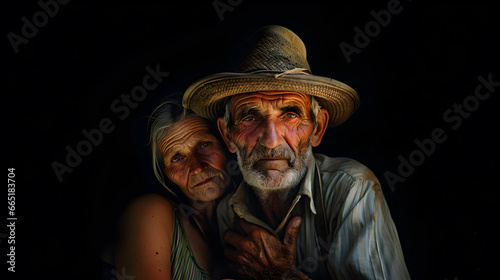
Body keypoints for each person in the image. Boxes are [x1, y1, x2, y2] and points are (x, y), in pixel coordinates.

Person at [182, 25, 410, 279]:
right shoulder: (227, 212)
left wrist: (282, 276)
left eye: (290, 114)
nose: (270, 141)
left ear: (317, 128)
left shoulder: (352, 189)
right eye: (249, 117)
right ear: (227, 135)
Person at [112, 101, 232, 279]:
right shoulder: (150, 212)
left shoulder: (243, 214)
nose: (197, 167)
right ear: (164, 174)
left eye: (204, 145)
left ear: (226, 141)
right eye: (177, 158)